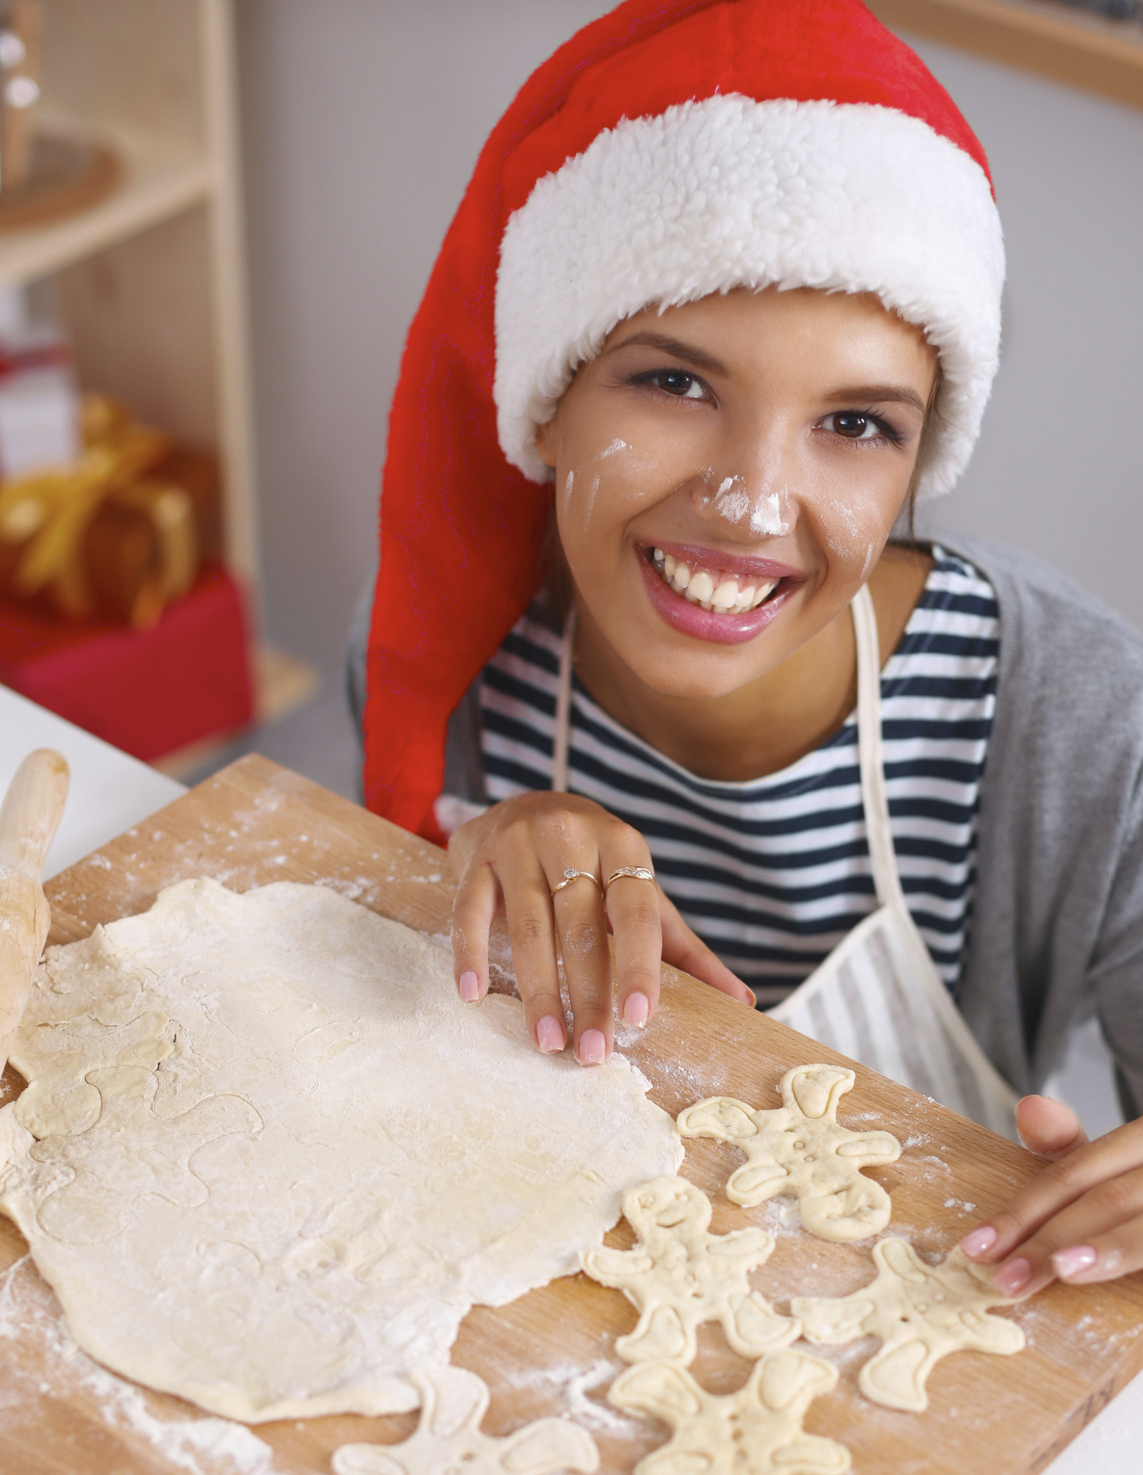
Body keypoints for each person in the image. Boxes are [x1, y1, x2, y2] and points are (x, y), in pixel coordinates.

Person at [349, 0, 1143, 1299]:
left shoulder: (1076, 721)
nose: (754, 504)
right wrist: (459, 868)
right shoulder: (458, 681)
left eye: (857, 424)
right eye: (675, 385)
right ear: (546, 396)